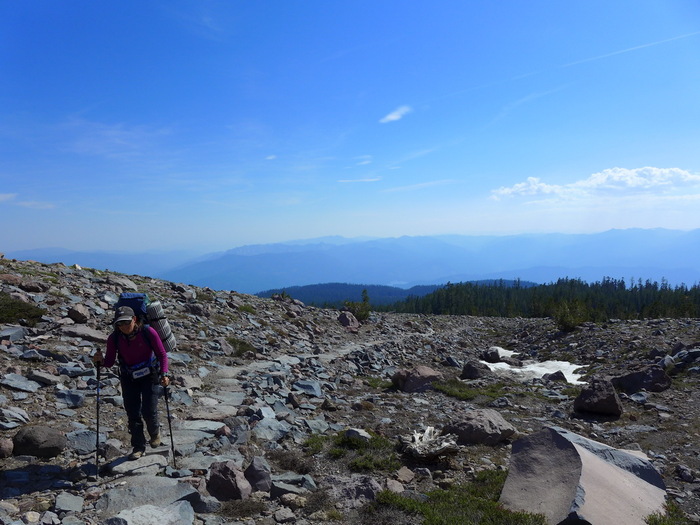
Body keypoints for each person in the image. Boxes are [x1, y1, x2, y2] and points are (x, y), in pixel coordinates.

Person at [93, 305, 170, 460]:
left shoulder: (148, 332)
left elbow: (162, 354)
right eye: (119, 324)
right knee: (133, 413)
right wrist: (99, 361)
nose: (123, 327)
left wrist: (165, 373)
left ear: (134, 319)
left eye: (126, 322)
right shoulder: (114, 338)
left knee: (148, 410)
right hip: (129, 377)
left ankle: (154, 433)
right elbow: (109, 362)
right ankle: (138, 446)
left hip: (151, 375)